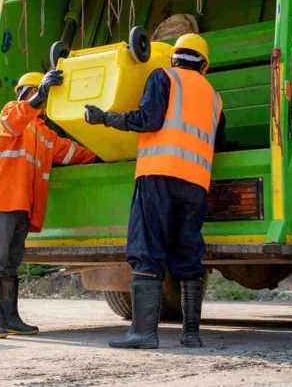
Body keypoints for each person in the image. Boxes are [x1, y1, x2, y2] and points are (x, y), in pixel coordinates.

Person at [84, 33, 225, 349]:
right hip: (195, 183)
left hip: (158, 175)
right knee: (188, 252)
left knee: (147, 248)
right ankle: (191, 334)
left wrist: (105, 118)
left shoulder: (163, 77)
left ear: (174, 57)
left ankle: (145, 333)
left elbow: (147, 120)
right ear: (204, 64)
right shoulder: (215, 97)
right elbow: (220, 141)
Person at [0, 69, 97, 339]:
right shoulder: (12, 111)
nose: (41, 98)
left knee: (10, 262)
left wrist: (102, 153)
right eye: (38, 92)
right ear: (27, 92)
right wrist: (38, 96)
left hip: (23, 205)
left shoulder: (44, 134)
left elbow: (70, 152)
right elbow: (13, 122)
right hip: (4, 199)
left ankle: (8, 317)